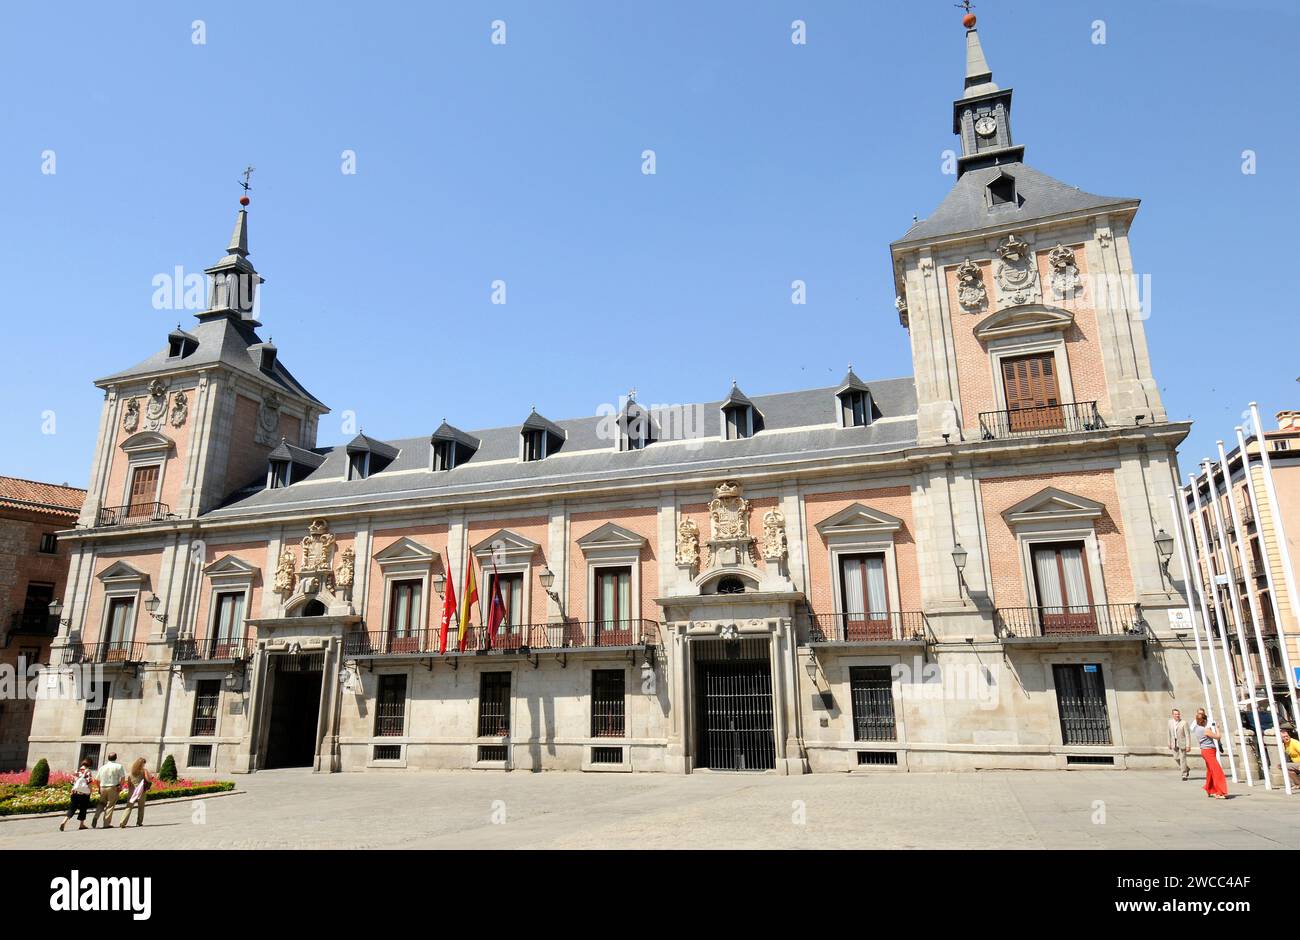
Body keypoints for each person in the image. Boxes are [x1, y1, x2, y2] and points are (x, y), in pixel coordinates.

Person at [1192, 708, 1229, 799]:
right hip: (1209, 751)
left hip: (1205, 750)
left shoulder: (1197, 728)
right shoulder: (1205, 730)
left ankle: (1210, 789)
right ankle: (1220, 792)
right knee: (1217, 771)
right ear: (1204, 721)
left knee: (1210, 771)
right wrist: (1217, 728)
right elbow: (1218, 736)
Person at [91, 751, 125, 829]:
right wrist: (120, 786)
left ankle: (96, 816)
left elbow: (97, 780)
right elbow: (122, 778)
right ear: (116, 758)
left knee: (101, 804)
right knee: (110, 805)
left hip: (102, 787)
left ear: (108, 758)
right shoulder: (119, 766)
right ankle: (106, 823)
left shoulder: (102, 767)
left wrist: (99, 788)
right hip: (113, 787)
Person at [59, 758, 95, 831]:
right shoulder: (88, 771)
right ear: (90, 764)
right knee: (83, 808)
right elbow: (89, 782)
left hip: (75, 792)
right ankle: (81, 824)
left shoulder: (77, 771)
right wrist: (91, 791)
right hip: (84, 793)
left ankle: (64, 821)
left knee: (72, 808)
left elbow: (72, 782)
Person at [117, 758, 150, 828]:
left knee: (128, 807)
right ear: (142, 764)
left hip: (132, 791)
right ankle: (139, 822)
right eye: (144, 764)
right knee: (141, 807)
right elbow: (148, 780)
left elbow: (129, 782)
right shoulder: (144, 771)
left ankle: (122, 822)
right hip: (141, 791)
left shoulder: (131, 772)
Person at [1167, 708, 1192, 780]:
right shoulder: (1170, 722)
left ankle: (1184, 774)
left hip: (1182, 743)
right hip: (1174, 743)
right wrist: (1169, 743)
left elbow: (1187, 735)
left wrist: (1188, 745)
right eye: (1175, 714)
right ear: (1173, 715)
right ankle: (1186, 768)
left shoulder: (1184, 723)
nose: (1177, 715)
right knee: (1176, 758)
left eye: (1178, 714)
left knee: (1182, 759)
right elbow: (1168, 733)